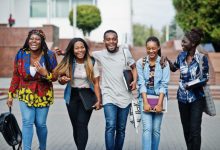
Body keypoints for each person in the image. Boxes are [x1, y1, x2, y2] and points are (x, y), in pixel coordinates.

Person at [7, 29, 58, 150]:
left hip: (43, 93)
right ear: (28, 40)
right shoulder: (21, 54)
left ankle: (42, 148)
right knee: (27, 122)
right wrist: (10, 94)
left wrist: (45, 73)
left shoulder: (49, 55)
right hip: (26, 93)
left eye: (37, 39)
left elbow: (55, 77)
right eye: (31, 39)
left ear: (42, 41)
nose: (34, 41)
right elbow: (16, 75)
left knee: (40, 124)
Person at [92, 30, 137, 150]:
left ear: (117, 40)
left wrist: (135, 81)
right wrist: (64, 52)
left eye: (114, 39)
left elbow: (133, 68)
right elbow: (82, 53)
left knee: (121, 129)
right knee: (110, 125)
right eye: (108, 39)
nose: (111, 41)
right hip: (109, 95)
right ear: (104, 41)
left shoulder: (124, 52)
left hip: (125, 97)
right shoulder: (100, 54)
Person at [54, 38, 102, 150]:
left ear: (85, 48)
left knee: (82, 125)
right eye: (77, 48)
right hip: (72, 96)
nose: (80, 50)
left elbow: (96, 83)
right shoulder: (68, 61)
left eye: (82, 47)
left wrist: (98, 100)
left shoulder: (92, 61)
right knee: (75, 127)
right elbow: (60, 80)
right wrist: (63, 80)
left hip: (87, 95)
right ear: (72, 49)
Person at [165, 28, 208, 150]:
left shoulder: (201, 58)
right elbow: (174, 68)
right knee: (187, 129)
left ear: (193, 44)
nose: (182, 44)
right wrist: (168, 62)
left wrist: (191, 84)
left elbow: (205, 78)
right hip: (182, 98)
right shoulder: (181, 56)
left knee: (195, 130)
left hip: (197, 98)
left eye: (184, 42)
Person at [136, 36, 170, 150]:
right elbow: (141, 84)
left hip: (159, 97)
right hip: (145, 97)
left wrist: (159, 104)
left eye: (154, 48)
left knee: (156, 130)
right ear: (146, 48)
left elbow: (164, 85)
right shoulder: (140, 63)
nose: (151, 51)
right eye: (148, 48)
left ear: (158, 47)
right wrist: (145, 102)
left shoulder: (163, 63)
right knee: (147, 128)